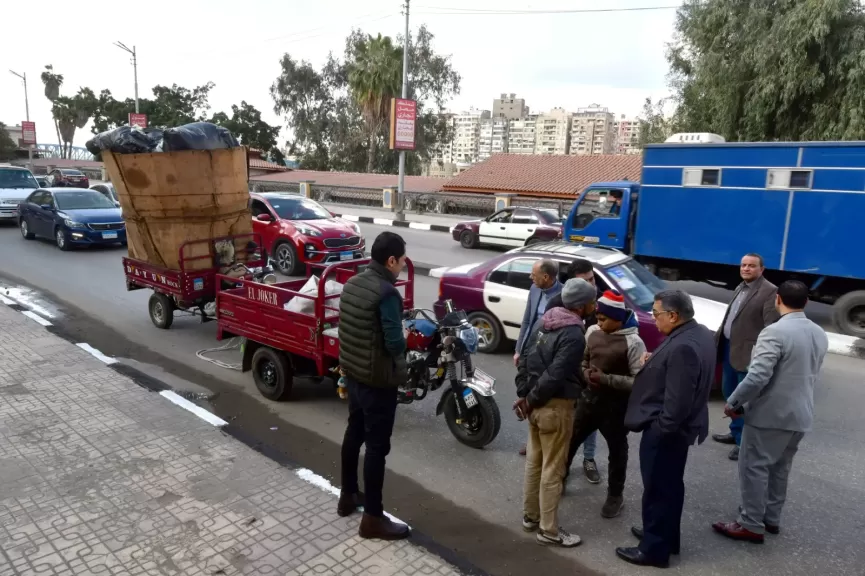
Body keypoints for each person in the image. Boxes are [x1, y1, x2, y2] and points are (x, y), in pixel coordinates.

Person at [712, 280, 828, 544]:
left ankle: (750, 523)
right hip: (801, 415)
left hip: (770, 415)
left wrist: (734, 402)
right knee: (780, 468)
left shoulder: (774, 332)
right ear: (806, 302)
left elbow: (757, 376)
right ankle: (771, 518)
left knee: (754, 467)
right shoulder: (819, 332)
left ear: (777, 300)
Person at [616, 290, 715, 568]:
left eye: (656, 313)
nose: (652, 317)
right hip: (680, 429)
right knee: (671, 487)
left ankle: (653, 550)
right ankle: (664, 535)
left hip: (668, 432)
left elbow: (679, 398)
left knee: (658, 489)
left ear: (673, 315)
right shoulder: (700, 333)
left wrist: (662, 429)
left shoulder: (683, 347)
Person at [336, 231, 411, 540]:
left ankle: (348, 495)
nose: (403, 267)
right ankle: (373, 518)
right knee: (378, 448)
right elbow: (394, 342)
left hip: (353, 375)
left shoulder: (353, 283)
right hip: (377, 381)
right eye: (402, 262)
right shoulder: (387, 293)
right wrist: (404, 370)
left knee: (354, 432)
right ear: (390, 260)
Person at [514, 278, 597, 548]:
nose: (595, 306)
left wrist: (525, 396)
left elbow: (525, 358)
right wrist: (532, 399)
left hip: (535, 405)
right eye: (592, 302)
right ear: (582, 306)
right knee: (553, 469)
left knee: (535, 463)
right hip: (555, 407)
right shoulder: (573, 334)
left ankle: (530, 517)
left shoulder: (545, 321)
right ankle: (549, 531)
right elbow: (555, 375)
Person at [565, 290, 647, 519]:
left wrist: (605, 379)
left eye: (603, 319)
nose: (598, 323)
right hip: (588, 401)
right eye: (598, 318)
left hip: (616, 408)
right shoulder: (591, 331)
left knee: (617, 452)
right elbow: (582, 360)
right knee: (570, 442)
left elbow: (638, 382)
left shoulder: (633, 342)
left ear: (618, 319)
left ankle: (615, 496)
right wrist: (585, 373)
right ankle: (559, 480)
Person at [713, 253, 780, 461]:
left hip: (748, 356)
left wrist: (761, 355)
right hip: (729, 350)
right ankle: (735, 432)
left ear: (762, 269)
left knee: (745, 401)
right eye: (743, 265)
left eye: (751, 266)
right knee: (729, 395)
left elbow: (771, 327)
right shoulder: (740, 286)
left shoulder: (770, 291)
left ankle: (744, 444)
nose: (746, 269)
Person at [547, 258, 602, 483]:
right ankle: (560, 467)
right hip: (568, 374)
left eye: (593, 279)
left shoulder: (598, 302)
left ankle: (588, 459)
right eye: (586, 280)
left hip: (591, 372)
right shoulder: (557, 304)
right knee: (565, 422)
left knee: (590, 419)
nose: (592, 284)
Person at [515, 259, 561, 456]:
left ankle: (542, 440)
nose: (530, 278)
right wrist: (519, 349)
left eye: (534, 275)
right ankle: (533, 439)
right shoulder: (534, 289)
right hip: (528, 351)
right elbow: (527, 320)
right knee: (526, 394)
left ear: (546, 277)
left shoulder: (563, 295)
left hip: (546, 356)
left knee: (542, 397)